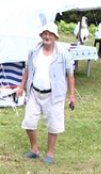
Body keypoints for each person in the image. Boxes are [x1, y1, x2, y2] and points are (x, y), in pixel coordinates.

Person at [15, 23, 77, 165]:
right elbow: (27, 69)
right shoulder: (34, 51)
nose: (47, 36)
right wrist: (21, 87)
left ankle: (50, 153)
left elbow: (70, 74)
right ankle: (34, 149)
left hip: (54, 95)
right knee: (29, 122)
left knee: (54, 124)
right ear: (41, 35)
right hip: (34, 92)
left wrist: (72, 96)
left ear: (55, 37)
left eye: (50, 34)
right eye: (45, 33)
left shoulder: (63, 53)